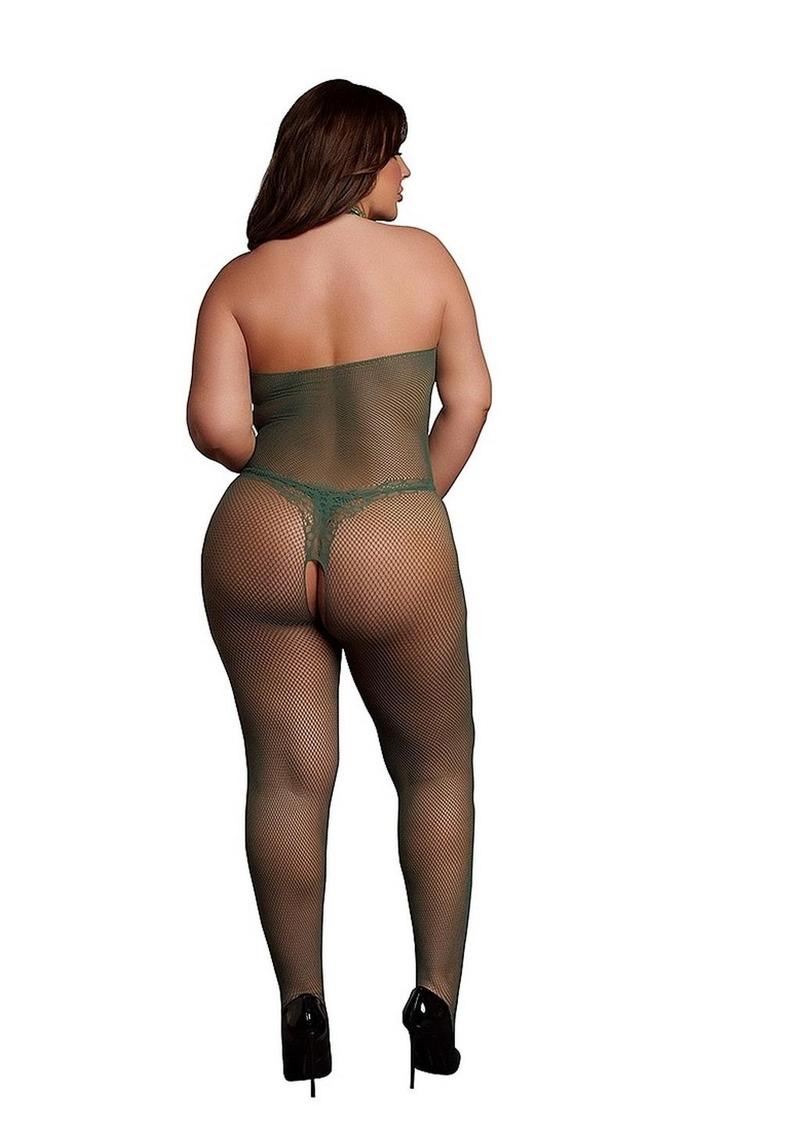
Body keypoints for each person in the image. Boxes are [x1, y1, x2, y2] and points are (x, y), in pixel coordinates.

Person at [186, 78, 492, 1097]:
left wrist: (287, 473)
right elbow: (470, 400)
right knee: (436, 770)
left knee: (285, 777)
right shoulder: (426, 261)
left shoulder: (240, 281)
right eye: (394, 152)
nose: (407, 170)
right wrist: (404, 502)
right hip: (394, 528)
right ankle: (433, 1004)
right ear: (355, 162)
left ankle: (301, 1006)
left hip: (259, 532)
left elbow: (214, 427)